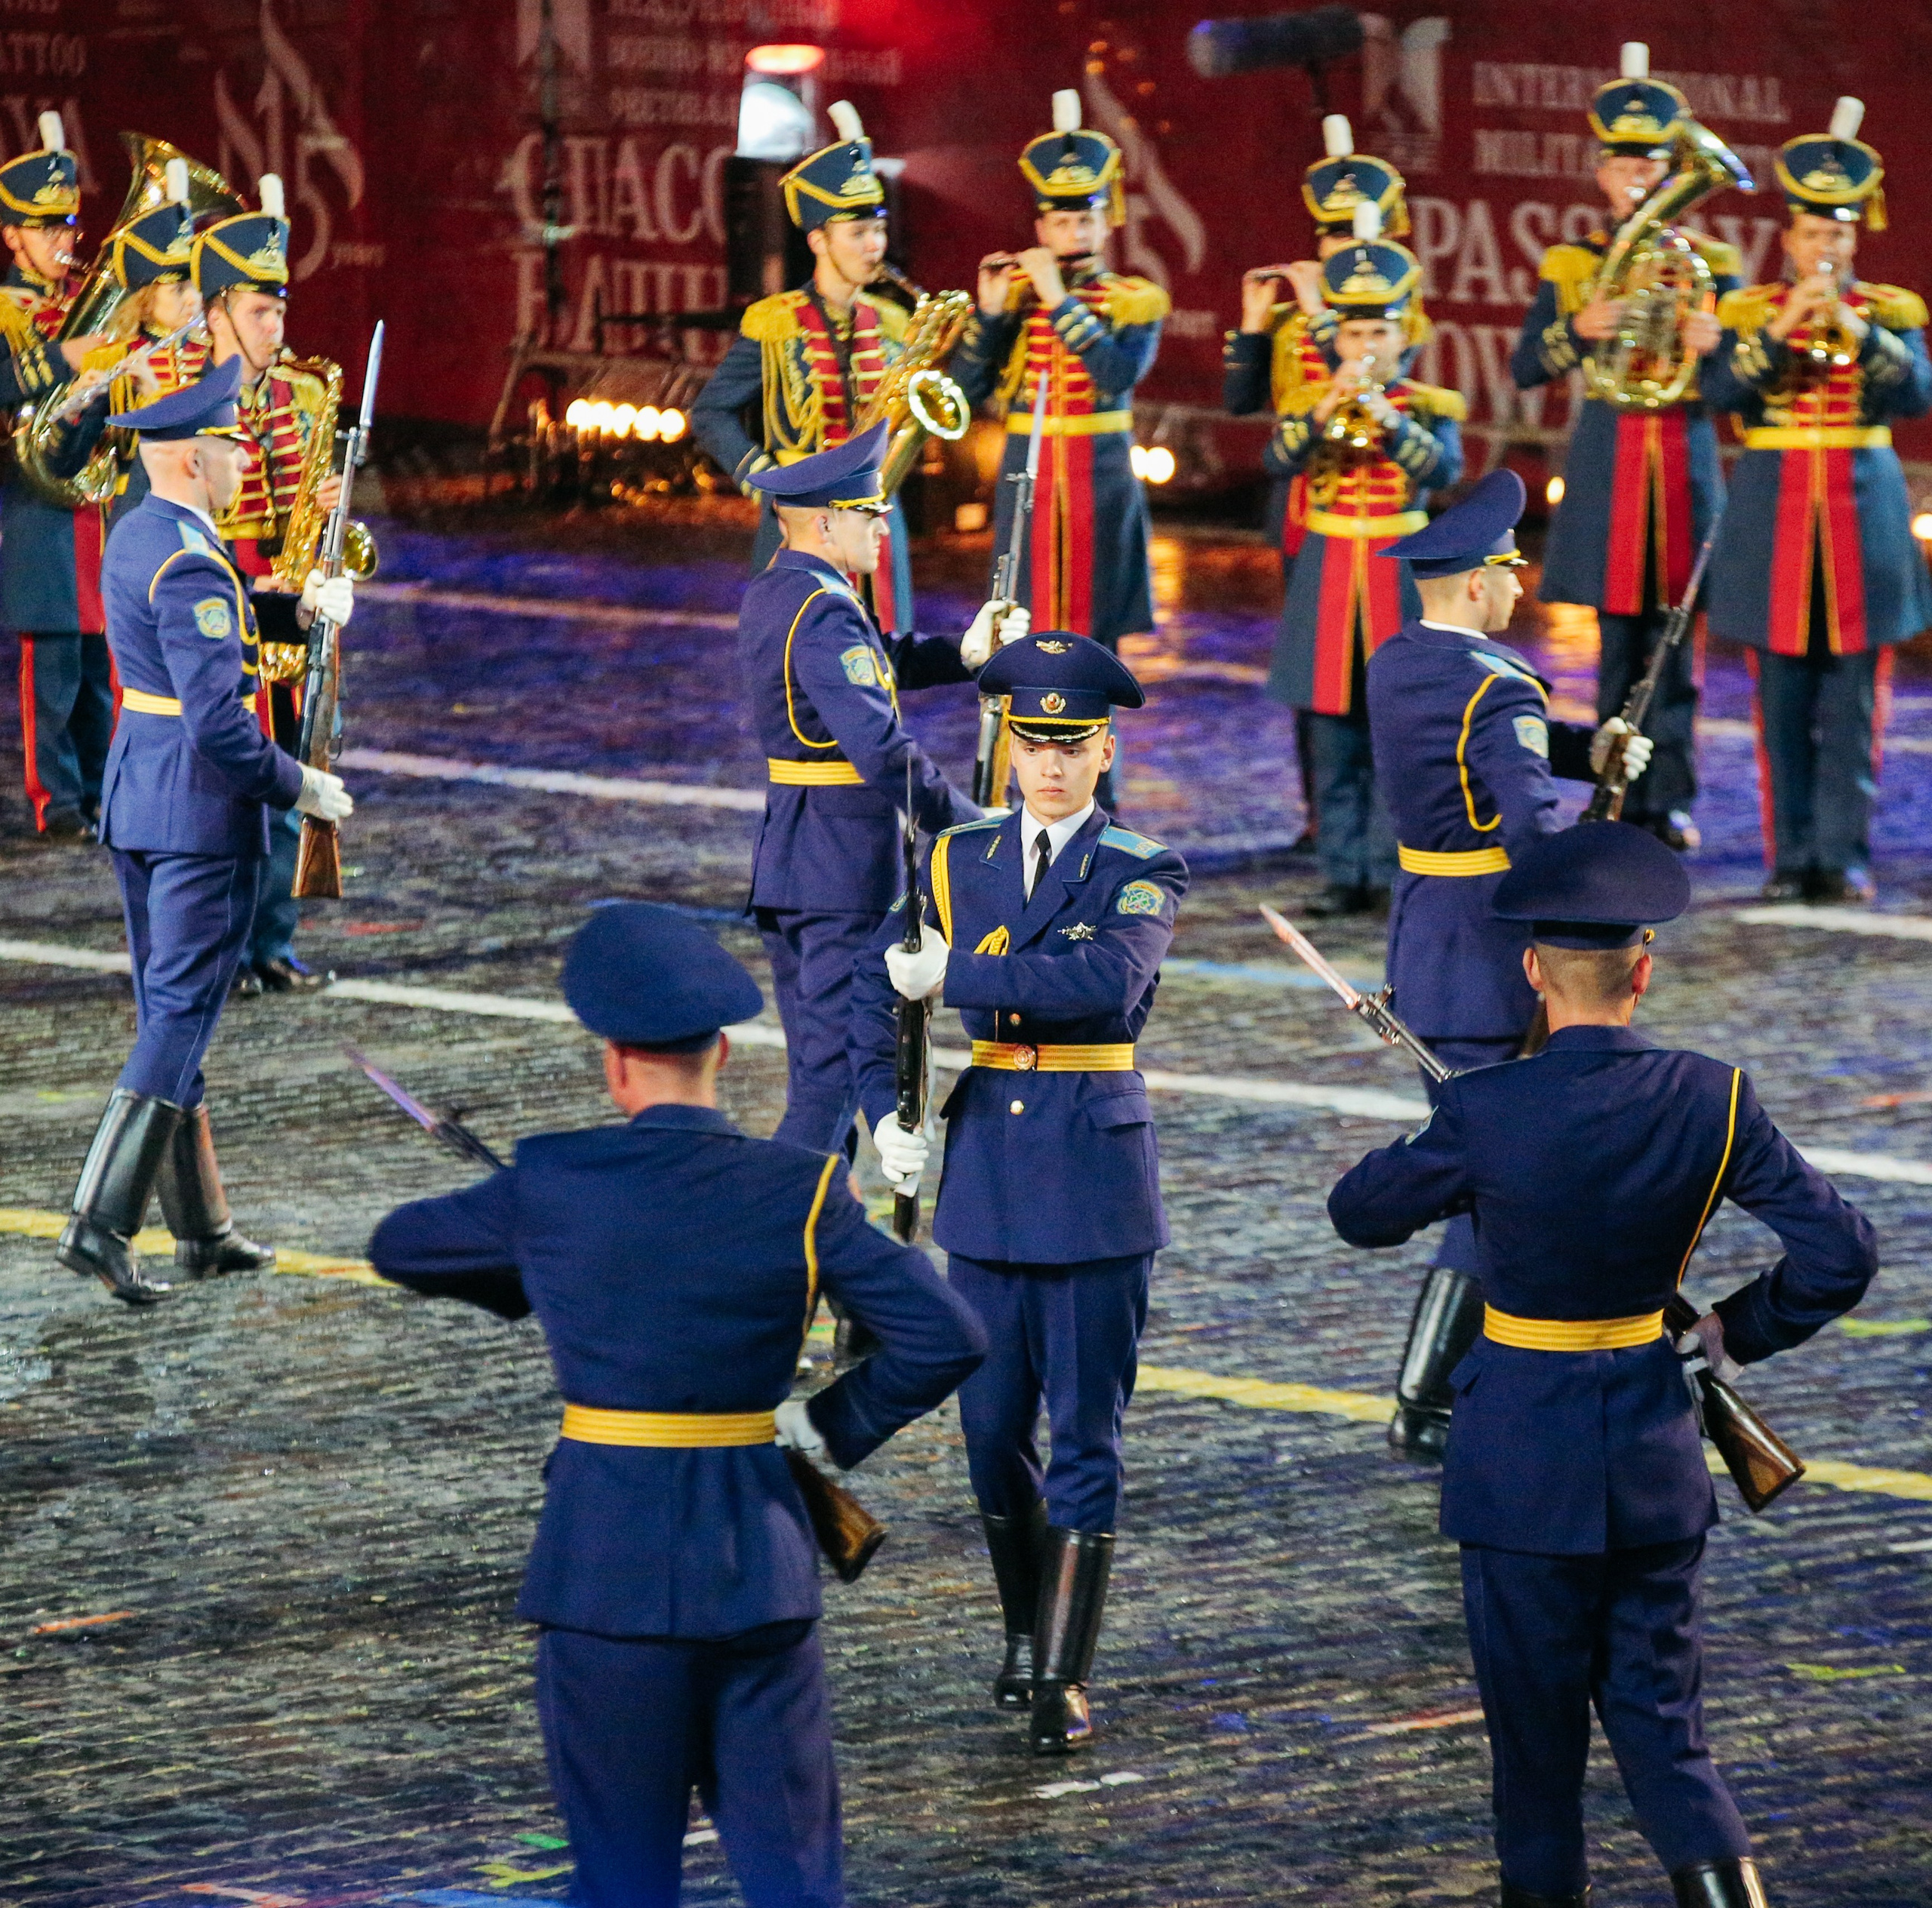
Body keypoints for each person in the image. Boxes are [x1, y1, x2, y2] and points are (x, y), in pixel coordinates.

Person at [368, 903, 986, 1908]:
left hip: (603, 1577)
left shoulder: (557, 1181)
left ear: (615, 1063)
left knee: (623, 1882)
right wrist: (826, 1425)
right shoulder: (803, 1188)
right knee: (794, 1883)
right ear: (724, 1057)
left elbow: (402, 1244)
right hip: (761, 1571)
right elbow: (949, 1335)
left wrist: (544, 1257)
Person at [1328, 822, 1877, 1908]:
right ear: (1645, 970)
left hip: (1518, 1465)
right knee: (1669, 1742)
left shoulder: (1486, 1107)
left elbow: (1360, 1215)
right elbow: (1840, 1253)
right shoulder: (1714, 1096)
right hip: (1653, 1458)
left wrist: (1450, 1134)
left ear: (1532, 974)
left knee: (1536, 1766)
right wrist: (1733, 1330)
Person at [851, 632, 1186, 1755]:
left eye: (1072, 746)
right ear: (1005, 745)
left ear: (1104, 751)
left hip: (1092, 1173)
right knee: (993, 1433)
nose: (1049, 766)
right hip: (990, 1174)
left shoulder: (1140, 867)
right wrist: (887, 1110)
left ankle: (1062, 1672)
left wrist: (960, 976)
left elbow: (1101, 983)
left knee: (1087, 1434)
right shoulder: (956, 860)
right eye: (1031, 744)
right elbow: (876, 992)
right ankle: (1019, 1628)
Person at [53, 359, 355, 1306]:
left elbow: (186, 631)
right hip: (197, 810)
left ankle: (202, 1228)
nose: (243, 456)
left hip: (141, 792)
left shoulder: (144, 532)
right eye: (230, 444)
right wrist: (301, 784)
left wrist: (290, 609)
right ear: (192, 456)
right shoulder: (192, 555)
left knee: (167, 1011)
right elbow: (223, 723)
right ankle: (99, 1221)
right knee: (182, 1013)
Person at [1364, 469, 1651, 1457]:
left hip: (1426, 933)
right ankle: (1429, 1397)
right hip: (1493, 949)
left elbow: (1477, 753)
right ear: (1480, 584)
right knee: (1507, 1171)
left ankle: (1468, 1382)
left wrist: (1590, 749)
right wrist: (1595, 901)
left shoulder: (1395, 663)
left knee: (1487, 1156)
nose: (1521, 591)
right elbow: (1528, 822)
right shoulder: (1500, 682)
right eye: (1511, 575)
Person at [740, 420, 1013, 1157]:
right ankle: (781, 1244)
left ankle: (812, 1248)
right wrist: (961, 825)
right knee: (829, 1087)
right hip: (840, 871)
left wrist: (964, 653)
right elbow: (881, 749)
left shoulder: (786, 590)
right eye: (869, 512)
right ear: (827, 521)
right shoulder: (823, 606)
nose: (883, 524)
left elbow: (875, 661)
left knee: (819, 1079)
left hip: (803, 858)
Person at [1701, 98, 1932, 905]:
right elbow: (1719, 389)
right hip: (1774, 526)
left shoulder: (1891, 314)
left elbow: (1917, 397)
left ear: (1852, 238)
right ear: (1789, 240)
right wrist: (1780, 331)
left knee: (1853, 710)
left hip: (1860, 527)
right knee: (1781, 708)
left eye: (1837, 234)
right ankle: (1788, 855)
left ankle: (1843, 854)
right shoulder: (1749, 311)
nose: (1824, 246)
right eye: (1811, 234)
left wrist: (1861, 336)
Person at [1510, 42, 1739, 855]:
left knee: (1677, 644)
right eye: (1626, 167)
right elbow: (1525, 365)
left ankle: (1668, 799)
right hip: (1610, 451)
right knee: (1614, 642)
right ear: (1602, 174)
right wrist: (1579, 328)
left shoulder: (1710, 263)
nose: (1640, 180)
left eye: (1656, 167)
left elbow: (1732, 395)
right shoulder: (1574, 263)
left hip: (1682, 452)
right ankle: (1609, 788)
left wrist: (1716, 348)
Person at [950, 88, 1168, 808]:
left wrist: (1061, 300)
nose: (1072, 230)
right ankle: (1026, 801)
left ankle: (1097, 807)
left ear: (1106, 222)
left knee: (1093, 647)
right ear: (1040, 222)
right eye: (1059, 218)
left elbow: (1114, 376)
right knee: (1023, 639)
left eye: (1085, 217)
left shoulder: (1133, 299)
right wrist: (987, 317)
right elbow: (968, 388)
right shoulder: (1016, 297)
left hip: (1100, 488)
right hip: (1028, 483)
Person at [1224, 118, 1422, 851]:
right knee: (1314, 670)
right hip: (1307, 512)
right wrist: (1254, 326)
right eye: (1328, 236)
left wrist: (1318, 320)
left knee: (1376, 675)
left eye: (1349, 236)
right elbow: (1243, 402)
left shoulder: (1395, 311)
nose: (1336, 250)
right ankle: (1322, 816)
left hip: (1372, 512)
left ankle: (1374, 824)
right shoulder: (1287, 316)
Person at [1264, 202, 1463, 916]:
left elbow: (1441, 472)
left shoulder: (1429, 402)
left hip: (1396, 570)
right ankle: (1340, 871)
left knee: (1393, 728)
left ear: (1401, 335)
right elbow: (1278, 459)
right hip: (1328, 569)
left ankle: (1388, 868)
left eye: (1378, 331)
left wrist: (1388, 417)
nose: (1365, 345)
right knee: (1332, 731)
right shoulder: (1313, 399)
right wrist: (1324, 411)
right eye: (1353, 332)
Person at [190, 178, 343, 993]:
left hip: (291, 597)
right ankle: (222, 948)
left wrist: (326, 516)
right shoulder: (182, 398)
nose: (277, 326)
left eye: (280, 309)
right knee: (223, 790)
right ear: (215, 313)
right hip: (223, 594)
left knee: (293, 774)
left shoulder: (303, 391)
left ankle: (272, 945)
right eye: (259, 311)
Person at [692, 103, 919, 630]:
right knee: (798, 660)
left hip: (877, 520)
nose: (874, 246)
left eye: (878, 231)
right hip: (798, 522)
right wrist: (764, 478)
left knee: (883, 663)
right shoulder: (777, 322)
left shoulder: (892, 322)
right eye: (857, 233)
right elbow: (711, 412)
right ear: (819, 240)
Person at [2, 112, 116, 845]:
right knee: (54, 671)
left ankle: (105, 790)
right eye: (46, 229)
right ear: (11, 234)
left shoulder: (79, 300)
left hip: (91, 503)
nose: (63, 242)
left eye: (68, 226)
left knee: (100, 672)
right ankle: (59, 802)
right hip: (32, 509)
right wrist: (68, 358)